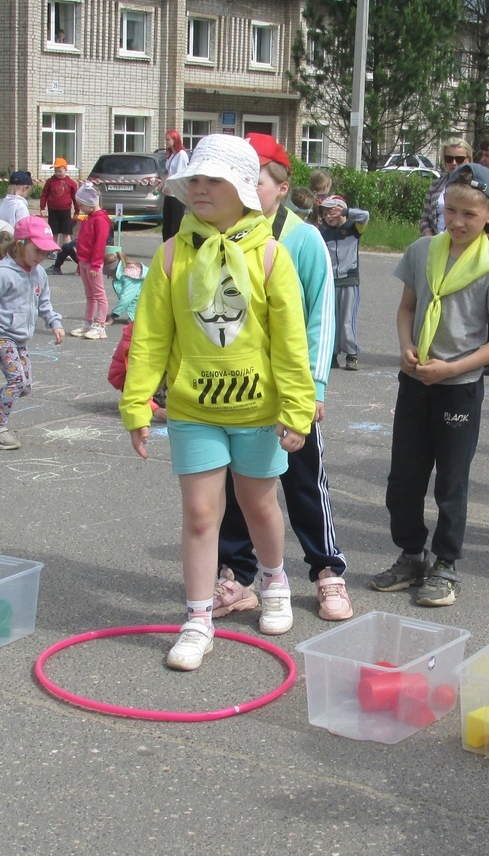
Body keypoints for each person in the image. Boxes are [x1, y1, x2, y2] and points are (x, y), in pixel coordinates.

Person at [120, 134, 315, 663]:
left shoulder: (273, 256)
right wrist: (137, 404)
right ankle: (198, 617)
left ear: (245, 189)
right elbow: (151, 338)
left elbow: (291, 343)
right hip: (193, 412)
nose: (201, 189)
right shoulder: (169, 257)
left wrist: (298, 410)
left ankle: (274, 582)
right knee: (201, 515)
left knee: (258, 506)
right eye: (195, 180)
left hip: (258, 413)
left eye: (215, 180)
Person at [213, 133, 352, 622]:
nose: (247, 189)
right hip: (240, 390)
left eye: (257, 180)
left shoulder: (301, 237)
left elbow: (322, 316)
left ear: (282, 186)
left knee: (302, 480)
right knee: (238, 484)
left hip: (290, 388)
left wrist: (314, 387)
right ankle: (238, 575)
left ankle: (327, 571)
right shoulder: (223, 236)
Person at [370, 162, 489, 607]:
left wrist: (451, 370)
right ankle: (411, 554)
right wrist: (405, 346)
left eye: (469, 215)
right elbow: (407, 308)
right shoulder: (422, 251)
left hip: (458, 386)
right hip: (416, 380)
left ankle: (446, 563)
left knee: (451, 481)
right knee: (404, 478)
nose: (456, 222)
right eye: (450, 210)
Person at [0, 216, 65, 451]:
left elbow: (44, 302)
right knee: (16, 381)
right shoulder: (3, 274)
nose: (42, 256)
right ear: (21, 244)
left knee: (25, 387)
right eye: (37, 250)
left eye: (46, 252)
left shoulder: (39, 273)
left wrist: (54, 322)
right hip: (2, 335)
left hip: (21, 337)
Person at [318, 194, 368, 370]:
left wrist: (346, 212)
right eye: (325, 213)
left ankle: (351, 354)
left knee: (347, 319)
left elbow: (365, 216)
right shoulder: (323, 233)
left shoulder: (353, 228)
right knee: (332, 320)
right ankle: (332, 354)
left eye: (332, 212)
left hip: (349, 280)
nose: (328, 216)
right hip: (331, 282)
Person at [69, 184, 111, 340]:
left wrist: (95, 264)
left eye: (81, 205)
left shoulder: (100, 220)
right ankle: (88, 323)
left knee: (99, 295)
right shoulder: (90, 218)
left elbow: (100, 244)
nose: (80, 208)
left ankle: (100, 326)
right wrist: (80, 262)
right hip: (84, 261)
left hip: (94, 264)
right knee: (89, 295)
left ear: (91, 203)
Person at [419, 139, 471, 237]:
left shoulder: (475, 187)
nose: (454, 163)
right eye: (449, 158)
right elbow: (424, 219)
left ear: (469, 159)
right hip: (436, 242)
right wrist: (430, 239)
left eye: (459, 159)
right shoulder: (436, 185)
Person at [40, 157, 78, 246]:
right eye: (56, 171)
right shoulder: (50, 182)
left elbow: (75, 198)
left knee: (66, 232)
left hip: (66, 210)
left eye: (60, 171)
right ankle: (53, 250)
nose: (58, 173)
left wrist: (77, 211)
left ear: (65, 170)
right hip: (53, 210)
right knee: (53, 232)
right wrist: (42, 207)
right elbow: (44, 195)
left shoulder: (71, 183)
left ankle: (67, 250)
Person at [103, 245, 147, 323]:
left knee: (132, 323)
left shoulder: (130, 275)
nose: (110, 277)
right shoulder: (125, 269)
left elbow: (126, 297)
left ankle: (141, 316)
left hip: (153, 301)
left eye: (109, 275)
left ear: (112, 271)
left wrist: (114, 315)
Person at [161, 129, 189, 241]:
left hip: (176, 194)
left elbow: (180, 174)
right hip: (168, 194)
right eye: (166, 139)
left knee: (174, 226)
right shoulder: (172, 155)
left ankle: (175, 250)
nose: (166, 142)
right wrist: (161, 185)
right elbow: (168, 173)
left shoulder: (181, 155)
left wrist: (170, 187)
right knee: (166, 225)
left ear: (175, 139)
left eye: (168, 139)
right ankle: (165, 249)